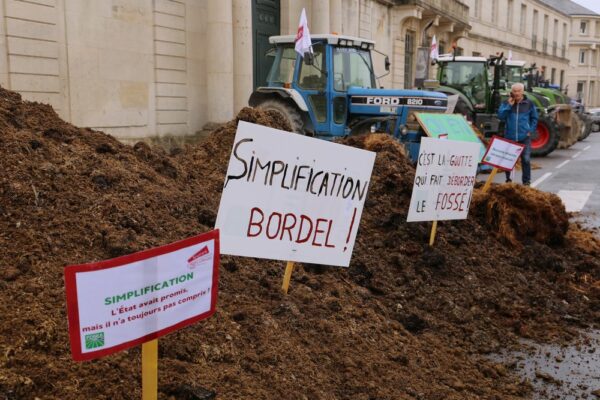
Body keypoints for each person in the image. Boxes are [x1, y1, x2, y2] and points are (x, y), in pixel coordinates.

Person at [497, 83, 538, 186]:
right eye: (514, 91)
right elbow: (500, 116)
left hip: (524, 137)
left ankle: (526, 182)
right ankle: (509, 181)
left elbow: (535, 118)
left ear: (522, 92)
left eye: (519, 91)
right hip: (510, 136)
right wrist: (509, 106)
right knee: (509, 161)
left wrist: (531, 130)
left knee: (526, 160)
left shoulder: (529, 104)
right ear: (512, 92)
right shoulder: (506, 103)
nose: (516, 93)